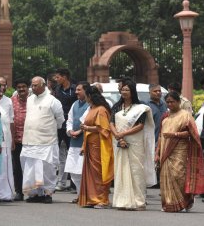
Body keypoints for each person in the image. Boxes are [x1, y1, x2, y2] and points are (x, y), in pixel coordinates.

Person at [110, 79, 156, 210]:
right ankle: (122, 201)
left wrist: (123, 134)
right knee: (121, 169)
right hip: (119, 141)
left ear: (132, 92)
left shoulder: (140, 107)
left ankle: (138, 201)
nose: (124, 92)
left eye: (127, 90)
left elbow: (140, 125)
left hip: (135, 143)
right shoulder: (117, 106)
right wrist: (118, 135)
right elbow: (111, 122)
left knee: (136, 170)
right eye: (122, 89)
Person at [156, 91, 204, 212]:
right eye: (167, 102)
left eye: (172, 101)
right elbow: (161, 136)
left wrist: (174, 134)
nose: (170, 104)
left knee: (179, 175)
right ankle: (169, 203)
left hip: (179, 149)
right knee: (166, 176)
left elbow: (192, 133)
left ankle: (184, 202)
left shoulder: (185, 115)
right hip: (165, 151)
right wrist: (157, 152)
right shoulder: (165, 117)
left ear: (178, 102)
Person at [21, 76, 64, 204]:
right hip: (30, 140)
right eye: (32, 85)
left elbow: (60, 120)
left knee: (47, 169)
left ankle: (47, 193)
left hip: (46, 141)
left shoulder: (52, 101)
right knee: (31, 169)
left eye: (35, 85)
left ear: (43, 85)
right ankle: (34, 193)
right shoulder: (29, 100)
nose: (32, 88)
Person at [78, 86, 113, 208]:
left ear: (90, 96)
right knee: (91, 173)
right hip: (89, 144)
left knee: (99, 172)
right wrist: (83, 145)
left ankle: (102, 199)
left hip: (99, 146)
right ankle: (92, 199)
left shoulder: (101, 110)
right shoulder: (91, 108)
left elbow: (104, 129)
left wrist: (87, 128)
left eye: (86, 95)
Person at [65, 82, 90, 203]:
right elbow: (69, 120)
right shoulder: (75, 104)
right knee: (73, 170)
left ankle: (86, 196)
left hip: (84, 142)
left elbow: (87, 122)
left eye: (79, 90)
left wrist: (79, 131)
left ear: (86, 91)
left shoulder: (91, 105)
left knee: (82, 170)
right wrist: (70, 131)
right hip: (73, 142)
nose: (76, 92)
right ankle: (80, 194)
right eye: (76, 90)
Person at [54, 68, 77, 191]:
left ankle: (74, 184)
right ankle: (57, 181)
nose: (56, 79)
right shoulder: (57, 90)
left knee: (72, 153)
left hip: (71, 125)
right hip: (59, 125)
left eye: (58, 77)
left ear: (64, 77)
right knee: (57, 154)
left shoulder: (75, 89)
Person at [0, 77, 15, 201]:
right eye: (0, 85)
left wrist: (12, 139)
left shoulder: (8, 101)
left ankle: (5, 193)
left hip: (6, 138)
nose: (2, 87)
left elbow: (11, 120)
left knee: (5, 166)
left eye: (4, 84)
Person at [11, 78, 29, 201]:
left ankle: (32, 191)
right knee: (17, 167)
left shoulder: (33, 100)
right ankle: (19, 191)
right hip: (16, 139)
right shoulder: (11, 101)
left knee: (31, 167)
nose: (21, 89)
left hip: (31, 139)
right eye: (19, 87)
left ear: (28, 88)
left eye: (24, 87)